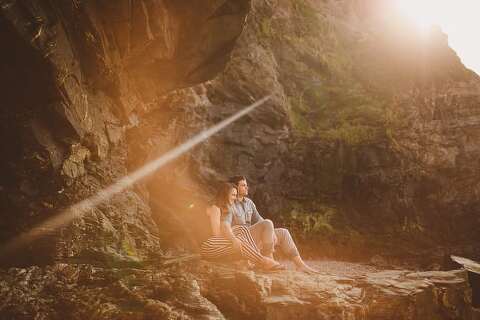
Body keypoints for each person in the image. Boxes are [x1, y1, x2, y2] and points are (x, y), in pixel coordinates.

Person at [222, 176, 319, 274]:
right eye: (243, 185)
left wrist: (271, 231)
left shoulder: (249, 203)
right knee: (268, 223)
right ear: (235, 187)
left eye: (247, 185)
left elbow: (260, 220)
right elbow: (226, 227)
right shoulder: (230, 203)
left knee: (283, 232)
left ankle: (301, 265)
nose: (247, 187)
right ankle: (268, 258)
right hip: (243, 241)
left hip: (254, 239)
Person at [200, 182, 284, 271]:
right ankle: (262, 261)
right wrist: (233, 238)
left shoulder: (228, 209)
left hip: (222, 247)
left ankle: (256, 260)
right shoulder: (215, 208)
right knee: (239, 232)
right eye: (233, 195)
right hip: (211, 245)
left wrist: (235, 238)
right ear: (225, 195)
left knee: (241, 230)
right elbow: (216, 234)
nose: (235, 198)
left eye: (236, 195)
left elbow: (228, 229)